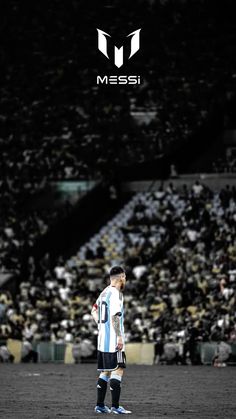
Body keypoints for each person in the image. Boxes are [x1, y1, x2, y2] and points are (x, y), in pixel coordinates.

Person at [91, 266, 131, 414]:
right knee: (118, 370)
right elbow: (115, 317)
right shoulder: (116, 294)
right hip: (114, 340)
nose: (125, 280)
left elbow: (93, 310)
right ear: (122, 277)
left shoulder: (104, 292)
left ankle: (100, 405)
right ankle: (115, 407)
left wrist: (101, 325)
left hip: (102, 341)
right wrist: (119, 336)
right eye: (125, 277)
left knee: (106, 371)